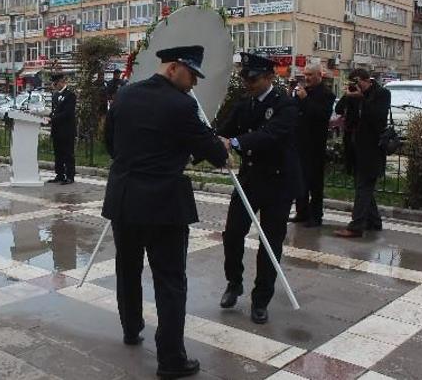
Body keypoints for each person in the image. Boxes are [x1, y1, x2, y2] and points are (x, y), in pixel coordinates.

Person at [102, 46, 228, 379]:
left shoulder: (125, 96)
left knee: (127, 269)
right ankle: (171, 359)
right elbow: (213, 152)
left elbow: (110, 143)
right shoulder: (182, 105)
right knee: (170, 281)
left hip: (125, 200)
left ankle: (131, 328)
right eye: (192, 76)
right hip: (163, 206)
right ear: (174, 68)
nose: (194, 85)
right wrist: (220, 147)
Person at [216, 53, 300, 325]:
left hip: (278, 183)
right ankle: (234, 282)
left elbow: (270, 136)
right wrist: (214, 143)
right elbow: (224, 133)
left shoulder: (285, 104)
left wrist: (236, 143)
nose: (248, 83)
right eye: (244, 78)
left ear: (269, 77)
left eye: (253, 78)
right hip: (250, 180)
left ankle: (261, 299)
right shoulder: (244, 104)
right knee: (232, 234)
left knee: (270, 242)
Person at [333, 69, 390, 238]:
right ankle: (374, 221)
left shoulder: (382, 93)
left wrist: (362, 99)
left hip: (372, 148)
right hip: (355, 148)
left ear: (367, 80)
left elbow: (377, 116)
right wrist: (348, 96)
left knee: (363, 186)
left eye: (358, 82)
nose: (356, 86)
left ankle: (356, 226)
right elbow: (338, 108)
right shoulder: (353, 95)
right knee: (364, 185)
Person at [289, 64, 336, 228]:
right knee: (300, 179)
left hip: (315, 144)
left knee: (315, 183)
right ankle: (301, 212)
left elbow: (321, 115)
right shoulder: (303, 92)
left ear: (319, 75)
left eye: (310, 75)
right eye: (305, 75)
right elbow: (294, 111)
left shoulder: (326, 94)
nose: (307, 78)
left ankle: (316, 216)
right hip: (299, 142)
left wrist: (305, 99)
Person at [46, 73, 77, 185]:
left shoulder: (70, 95)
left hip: (67, 130)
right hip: (57, 130)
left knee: (68, 154)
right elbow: (54, 111)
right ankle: (59, 175)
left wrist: (52, 119)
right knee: (58, 154)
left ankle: (70, 176)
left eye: (55, 83)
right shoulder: (55, 95)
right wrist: (47, 118)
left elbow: (67, 113)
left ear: (61, 82)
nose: (54, 86)